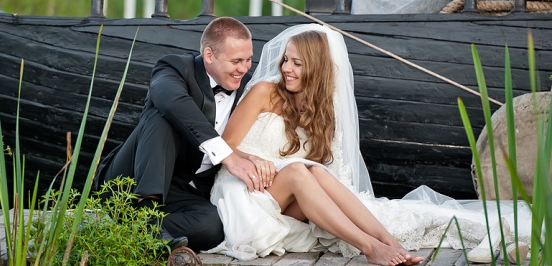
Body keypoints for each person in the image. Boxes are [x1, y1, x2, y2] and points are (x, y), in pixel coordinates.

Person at [204, 24, 533, 265]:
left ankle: (387, 240)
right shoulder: (265, 91)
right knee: (301, 172)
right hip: (243, 190)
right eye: (286, 60)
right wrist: (253, 160)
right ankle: (370, 247)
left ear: (316, 69)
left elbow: (322, 166)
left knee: (314, 174)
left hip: (283, 196)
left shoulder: (320, 111)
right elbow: (224, 147)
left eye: (297, 63)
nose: (286, 68)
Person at [94, 16, 265, 252]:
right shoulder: (175, 67)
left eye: (248, 59)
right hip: (129, 180)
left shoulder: (248, 87)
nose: (244, 68)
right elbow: (171, 99)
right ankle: (145, 215)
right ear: (209, 55)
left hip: (182, 188)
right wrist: (227, 156)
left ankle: (134, 230)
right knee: (163, 114)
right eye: (236, 61)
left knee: (212, 227)